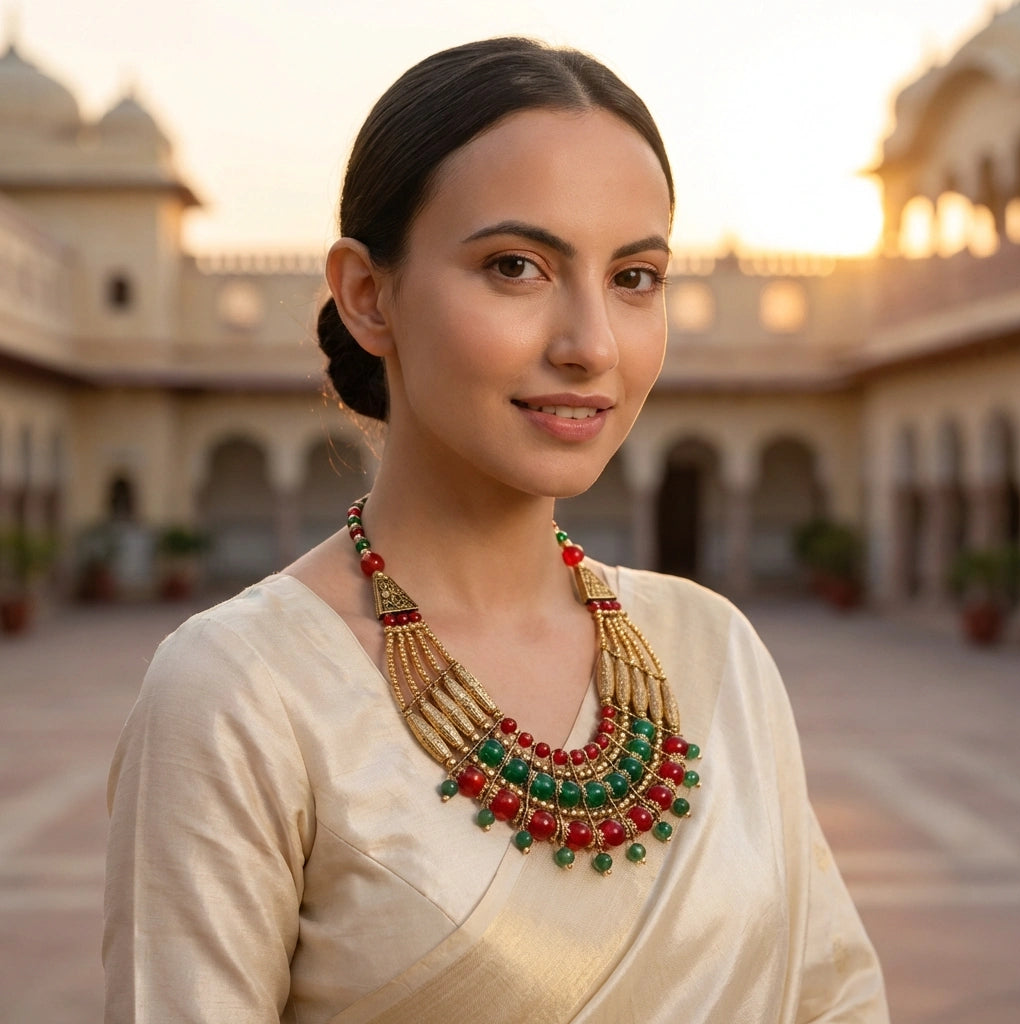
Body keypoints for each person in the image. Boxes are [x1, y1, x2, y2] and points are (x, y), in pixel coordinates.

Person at [103, 37, 889, 1023]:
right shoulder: (242, 694)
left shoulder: (714, 652)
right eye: (515, 266)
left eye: (634, 277)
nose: (591, 343)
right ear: (365, 295)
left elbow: (835, 998)